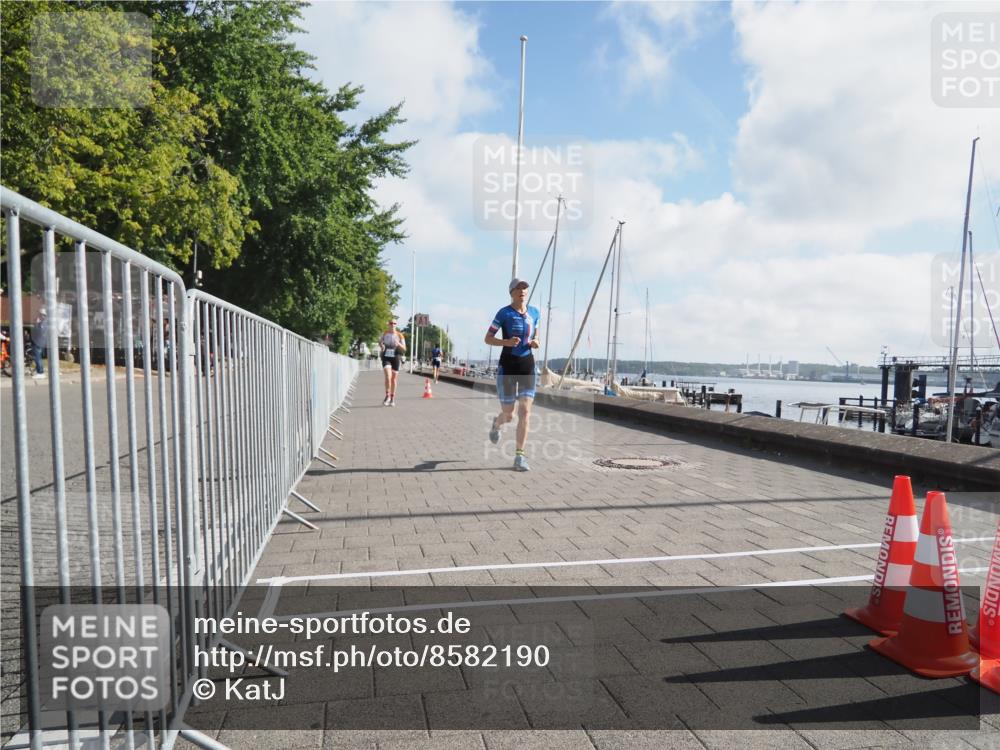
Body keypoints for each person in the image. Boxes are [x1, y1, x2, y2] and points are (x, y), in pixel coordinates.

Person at [484, 278, 540, 471]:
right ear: (512, 292)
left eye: (525, 288)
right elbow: (488, 338)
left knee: (525, 411)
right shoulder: (504, 313)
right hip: (508, 366)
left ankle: (519, 457)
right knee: (509, 415)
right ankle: (496, 424)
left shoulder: (534, 312)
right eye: (518, 288)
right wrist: (506, 342)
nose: (522, 291)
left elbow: (535, 335)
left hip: (527, 366)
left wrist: (535, 342)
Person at [379, 320, 406, 406]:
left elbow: (405, 349)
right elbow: (380, 342)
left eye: (394, 323)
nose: (393, 325)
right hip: (386, 356)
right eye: (391, 323)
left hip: (396, 357)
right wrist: (382, 345)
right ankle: (387, 396)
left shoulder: (400, 335)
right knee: (388, 376)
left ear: (396, 325)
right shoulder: (385, 333)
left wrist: (398, 344)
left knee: (393, 379)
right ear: (388, 324)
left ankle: (392, 397)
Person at [31, 309, 48, 379]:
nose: (39, 315)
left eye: (40, 314)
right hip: (40, 342)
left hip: (38, 342)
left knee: (37, 357)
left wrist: (36, 324)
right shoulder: (44, 322)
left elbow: (38, 332)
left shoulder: (43, 323)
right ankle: (39, 370)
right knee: (38, 357)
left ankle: (40, 372)